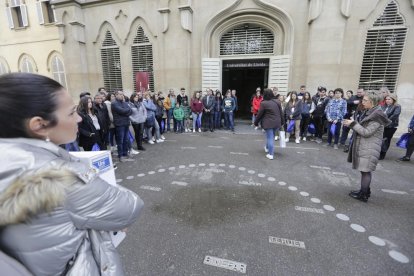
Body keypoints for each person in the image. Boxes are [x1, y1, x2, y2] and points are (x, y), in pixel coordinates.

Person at [0, 73, 143, 275]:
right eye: (71, 113)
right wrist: (79, 168)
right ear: (39, 125)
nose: (78, 118)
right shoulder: (59, 176)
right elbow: (130, 206)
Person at [343, 91, 391, 202]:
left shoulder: (377, 115)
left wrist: (353, 124)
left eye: (365, 100)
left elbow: (366, 132)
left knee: (365, 171)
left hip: (370, 147)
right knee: (364, 170)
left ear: (372, 102)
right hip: (365, 146)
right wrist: (352, 123)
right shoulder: (369, 111)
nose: (362, 102)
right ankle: (363, 191)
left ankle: (364, 195)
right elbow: (361, 127)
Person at [254, 88, 284, 160]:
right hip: (277, 122)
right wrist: (282, 122)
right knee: (271, 136)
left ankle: (271, 154)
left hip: (268, 123)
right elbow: (281, 113)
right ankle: (267, 148)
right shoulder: (277, 102)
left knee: (270, 137)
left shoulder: (263, 103)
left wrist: (256, 123)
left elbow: (259, 114)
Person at [112, 90, 133, 162]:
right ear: (116, 95)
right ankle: (120, 155)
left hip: (126, 123)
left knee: (125, 140)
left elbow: (131, 111)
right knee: (120, 141)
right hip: (120, 124)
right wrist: (126, 111)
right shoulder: (114, 103)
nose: (122, 96)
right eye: (120, 94)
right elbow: (122, 111)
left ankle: (125, 153)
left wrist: (126, 111)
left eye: (122, 94)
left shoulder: (124, 103)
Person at [379, 94, 401, 160]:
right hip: (382, 125)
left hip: (391, 126)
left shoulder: (397, 106)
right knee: (380, 139)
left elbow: (394, 116)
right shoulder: (383, 106)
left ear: (393, 100)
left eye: (389, 99)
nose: (387, 101)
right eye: (386, 99)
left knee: (386, 140)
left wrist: (385, 122)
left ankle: (382, 154)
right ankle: (378, 152)